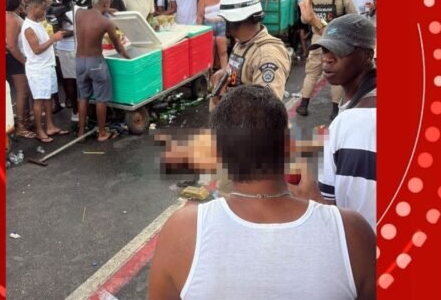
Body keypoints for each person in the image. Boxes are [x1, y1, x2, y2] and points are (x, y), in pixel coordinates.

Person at [149, 85, 376, 300]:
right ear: (289, 148)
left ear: (217, 155)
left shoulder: (182, 230)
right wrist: (319, 203)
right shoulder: (352, 232)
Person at [290, 14, 377, 231]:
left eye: (340, 51)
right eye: (325, 50)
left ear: (367, 54)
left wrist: (303, 194)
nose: (327, 59)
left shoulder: (353, 121)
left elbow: (328, 212)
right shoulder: (356, 107)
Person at [296, 0, 358, 119]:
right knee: (337, 74)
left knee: (311, 74)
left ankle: (303, 105)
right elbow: (354, 18)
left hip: (317, 40)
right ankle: (335, 110)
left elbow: (304, 19)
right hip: (336, 41)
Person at [210, 0, 291, 104]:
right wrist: (225, 75)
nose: (224, 25)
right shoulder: (242, 43)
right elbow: (236, 77)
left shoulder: (267, 55)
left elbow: (264, 107)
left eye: (226, 20)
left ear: (236, 21)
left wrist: (223, 97)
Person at [75, 0, 131, 142]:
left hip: (79, 61)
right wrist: (130, 59)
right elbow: (118, 47)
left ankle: (81, 132)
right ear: (106, 4)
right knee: (101, 99)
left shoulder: (79, 14)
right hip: (95, 62)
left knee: (83, 97)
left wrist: (105, 9)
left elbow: (94, 10)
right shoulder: (106, 22)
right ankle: (101, 133)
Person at [20, 0, 69, 143]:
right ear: (35, 8)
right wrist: (54, 38)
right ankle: (40, 131)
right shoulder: (28, 27)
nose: (44, 12)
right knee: (39, 100)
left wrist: (53, 37)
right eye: (43, 9)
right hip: (38, 69)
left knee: (48, 98)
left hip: (47, 66)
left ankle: (50, 126)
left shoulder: (37, 23)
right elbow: (36, 49)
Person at [5, 0, 35, 139]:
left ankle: (26, 121)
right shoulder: (12, 19)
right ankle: (21, 126)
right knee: (22, 92)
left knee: (24, 91)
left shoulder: (13, 16)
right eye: (23, 0)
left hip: (15, 57)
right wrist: (24, 61)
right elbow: (11, 45)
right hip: (15, 58)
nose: (25, 2)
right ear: (17, 3)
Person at [196, 0, 228, 71]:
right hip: (208, 25)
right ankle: (209, 74)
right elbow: (200, 15)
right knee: (210, 52)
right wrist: (198, 31)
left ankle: (225, 73)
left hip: (221, 24)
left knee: (223, 51)